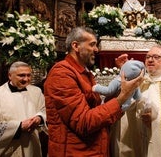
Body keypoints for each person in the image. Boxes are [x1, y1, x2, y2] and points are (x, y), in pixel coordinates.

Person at [43, 26, 144, 156]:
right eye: (92, 45)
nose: (96, 49)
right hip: (75, 152)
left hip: (92, 149)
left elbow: (98, 109)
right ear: (76, 46)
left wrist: (122, 83)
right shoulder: (61, 74)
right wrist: (123, 96)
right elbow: (84, 123)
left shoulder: (83, 72)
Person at [0, 61, 47, 157]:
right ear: (10, 75)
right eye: (21, 75)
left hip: (31, 145)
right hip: (7, 149)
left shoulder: (36, 92)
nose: (26, 79)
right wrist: (18, 127)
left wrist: (39, 118)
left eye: (29, 75)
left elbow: (44, 110)